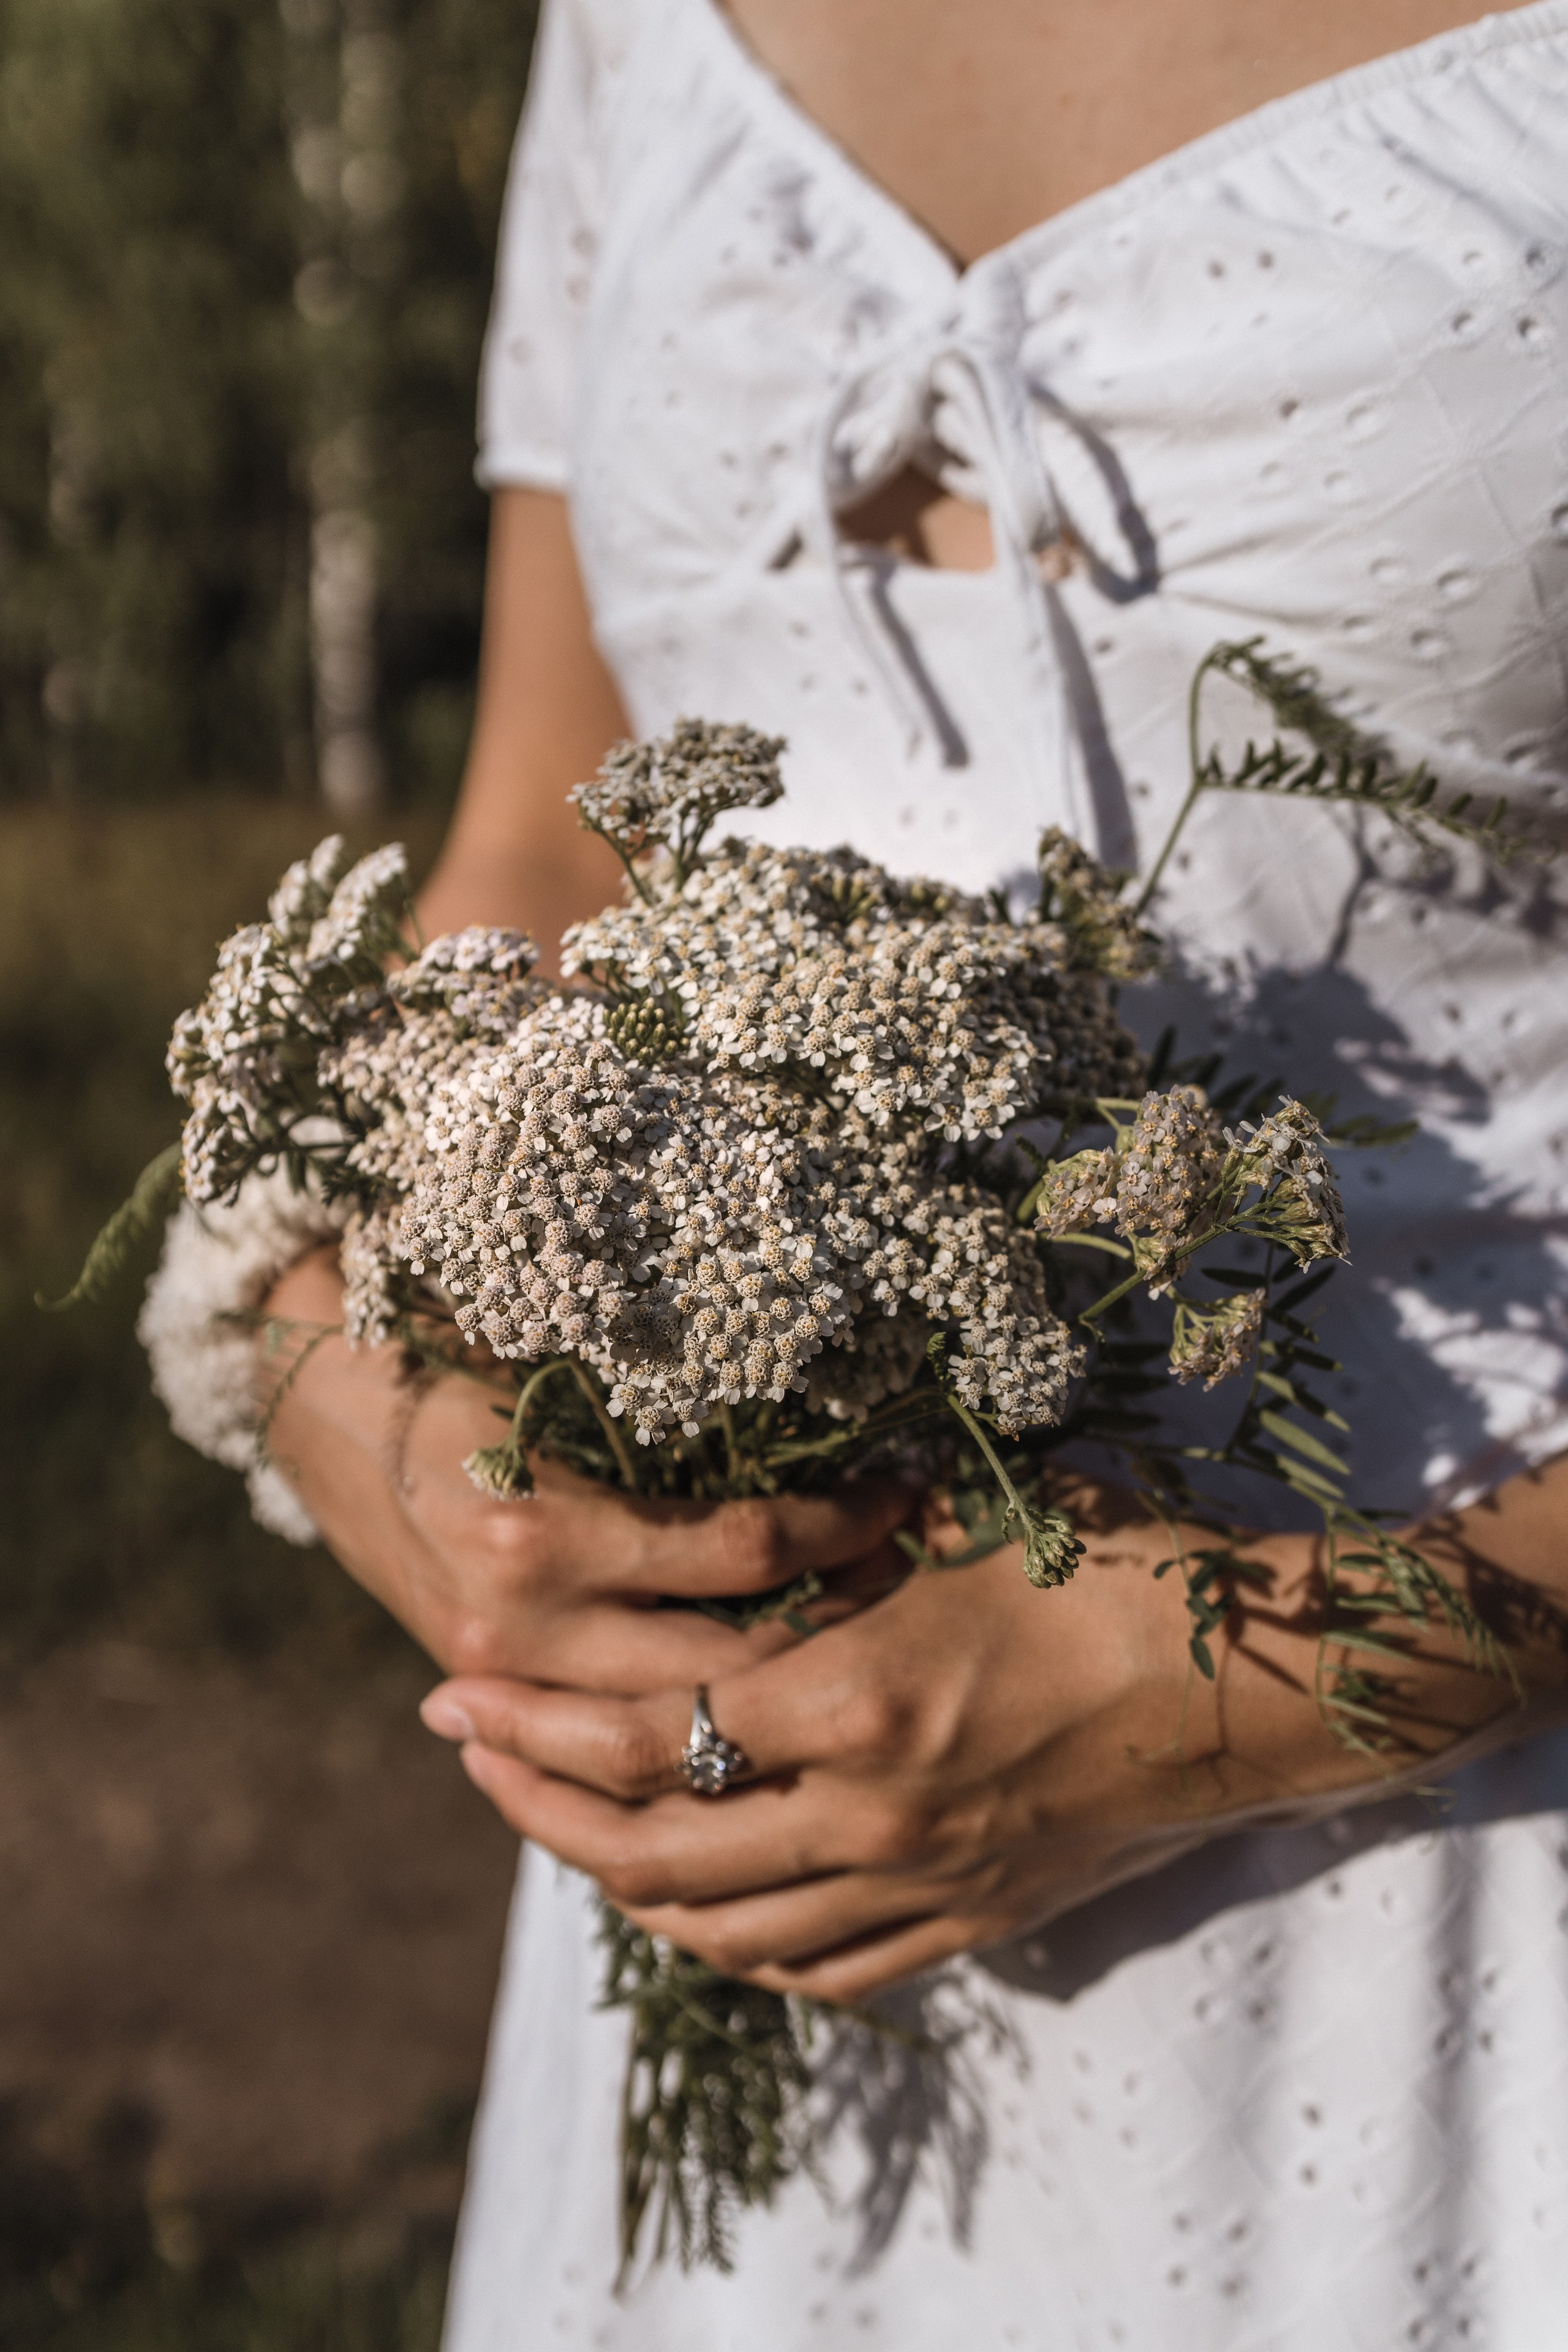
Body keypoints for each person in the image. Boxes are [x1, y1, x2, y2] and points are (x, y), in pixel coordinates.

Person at [151, 1, 1568, 2342]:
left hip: (1470, 1916)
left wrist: (1263, 1696)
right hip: (753, 1970)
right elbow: (540, 843)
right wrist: (342, 1372)